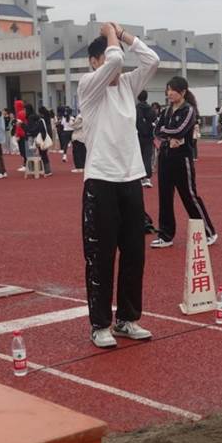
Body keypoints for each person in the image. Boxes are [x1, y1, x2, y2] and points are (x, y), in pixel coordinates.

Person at [78, 22, 159, 348]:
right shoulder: (89, 86)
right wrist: (110, 34)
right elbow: (114, 61)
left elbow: (152, 60)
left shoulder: (127, 84)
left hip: (130, 179)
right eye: (108, 59)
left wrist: (123, 34)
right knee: (100, 255)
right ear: (94, 62)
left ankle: (127, 319)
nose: (117, 68)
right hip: (101, 181)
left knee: (134, 253)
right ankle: (100, 324)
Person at [151, 77, 217, 248]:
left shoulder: (188, 110)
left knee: (189, 196)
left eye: (173, 90)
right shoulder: (166, 110)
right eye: (168, 89)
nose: (169, 93)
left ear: (183, 92)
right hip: (165, 157)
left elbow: (179, 130)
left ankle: (208, 232)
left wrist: (167, 132)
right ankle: (166, 235)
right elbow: (156, 130)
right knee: (165, 197)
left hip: (181, 159)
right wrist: (169, 136)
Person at [135, 90, 156, 187]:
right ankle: (147, 178)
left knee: (138, 157)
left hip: (137, 136)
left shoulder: (135, 108)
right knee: (147, 157)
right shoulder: (151, 109)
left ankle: (138, 177)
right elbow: (154, 119)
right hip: (148, 136)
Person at [24, 109, 53, 177]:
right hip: (43, 139)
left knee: (43, 155)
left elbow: (33, 131)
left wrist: (24, 126)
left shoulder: (39, 123)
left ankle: (47, 170)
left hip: (41, 140)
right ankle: (45, 169)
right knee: (44, 155)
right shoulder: (42, 121)